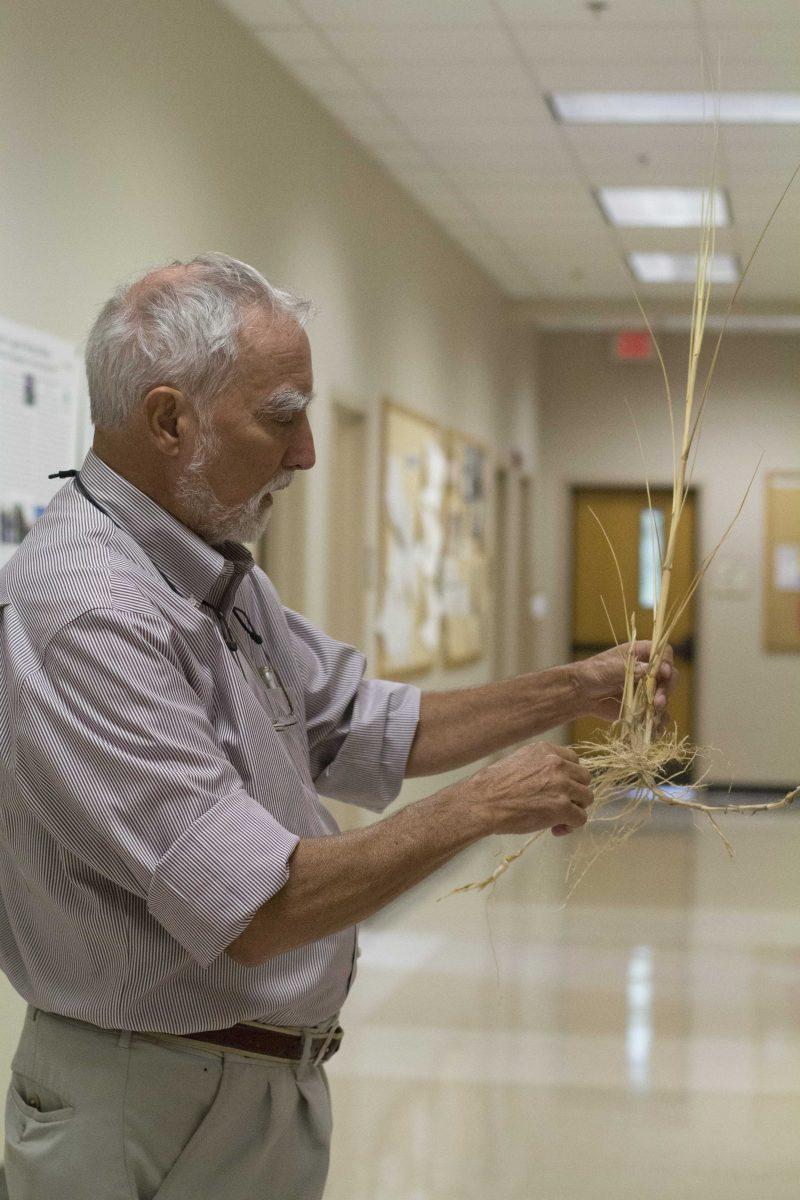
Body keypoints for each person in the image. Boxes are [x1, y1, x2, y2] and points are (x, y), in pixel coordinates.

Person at [0, 254, 675, 1200]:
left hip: (241, 1087)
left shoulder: (210, 573)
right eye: (281, 417)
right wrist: (480, 806)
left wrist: (576, 686)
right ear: (168, 420)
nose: (307, 452)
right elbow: (256, 908)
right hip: (145, 1104)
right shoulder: (87, 612)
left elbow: (362, 725)